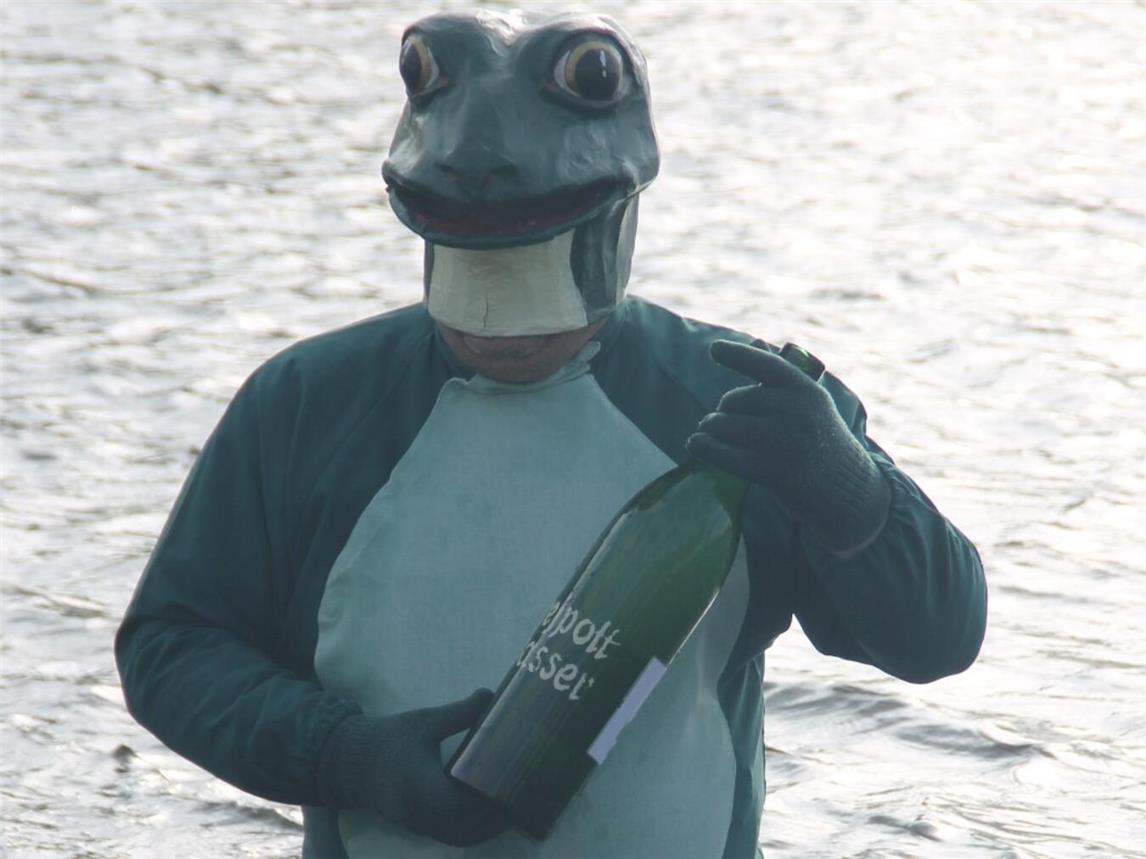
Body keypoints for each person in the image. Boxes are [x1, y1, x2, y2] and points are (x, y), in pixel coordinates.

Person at [116, 10, 986, 859]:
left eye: (534, 281)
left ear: (613, 232)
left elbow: (940, 637)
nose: (501, 330)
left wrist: (853, 496)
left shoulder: (748, 403)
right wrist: (351, 755)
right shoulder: (308, 404)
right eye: (474, 280)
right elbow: (172, 645)